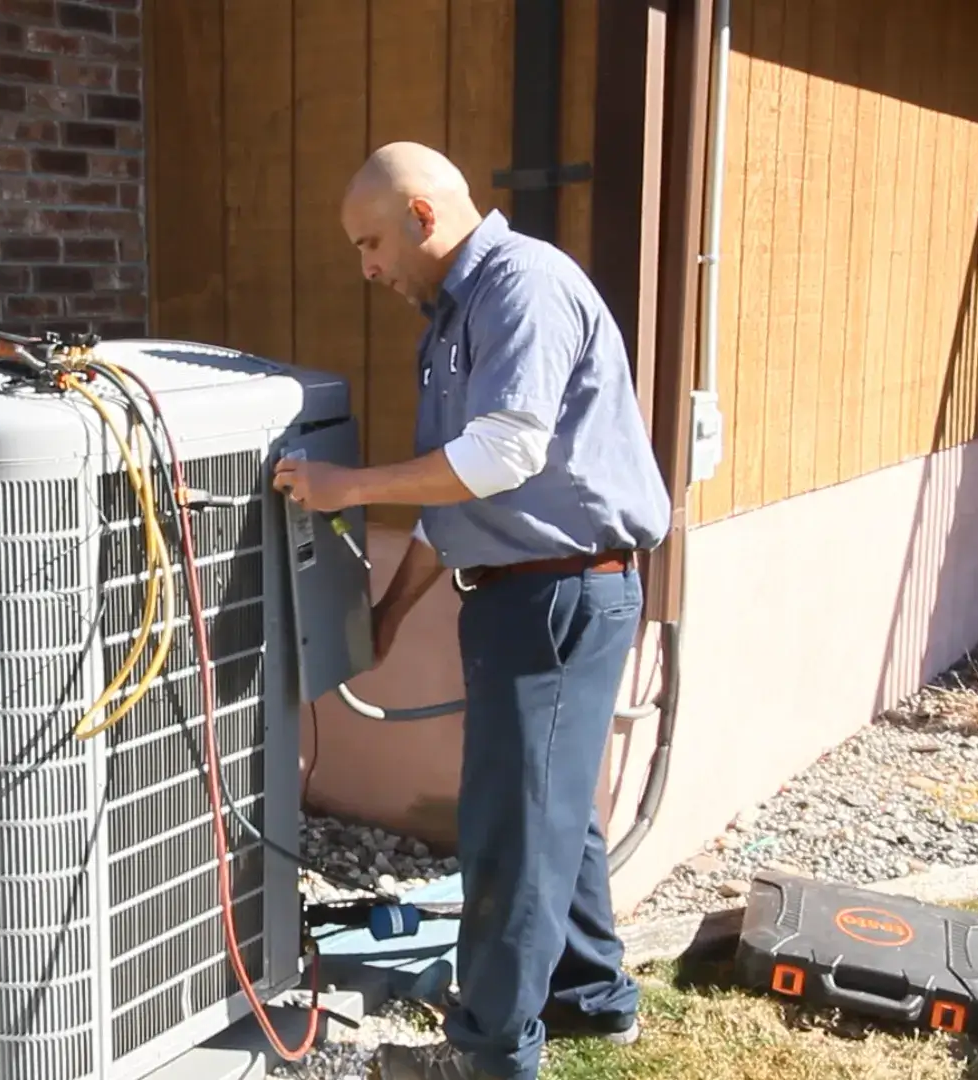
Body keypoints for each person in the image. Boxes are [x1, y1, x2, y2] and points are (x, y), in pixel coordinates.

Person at [270, 142, 671, 1080]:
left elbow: (501, 457)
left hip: (559, 593)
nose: (367, 267)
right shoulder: (451, 318)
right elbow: (458, 500)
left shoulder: (520, 288)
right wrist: (392, 613)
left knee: (510, 826)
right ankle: (592, 997)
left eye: (372, 243)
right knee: (554, 815)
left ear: (422, 217)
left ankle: (488, 1056)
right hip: (529, 590)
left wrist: (344, 487)